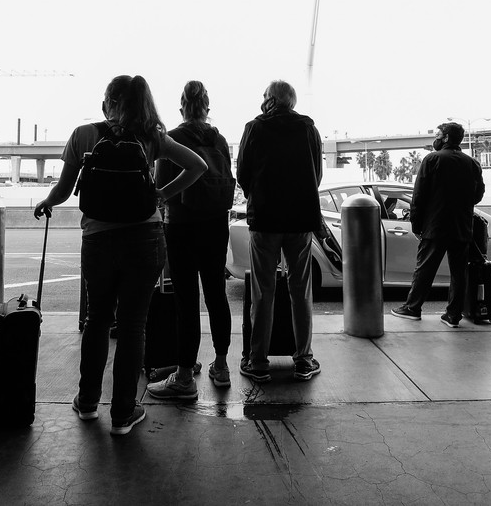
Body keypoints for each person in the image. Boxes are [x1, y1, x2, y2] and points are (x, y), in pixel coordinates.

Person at [34, 75, 206, 435]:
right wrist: (161, 193)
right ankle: (123, 414)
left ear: (109, 101)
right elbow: (197, 166)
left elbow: (64, 191)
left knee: (98, 320)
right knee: (132, 325)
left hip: (98, 240)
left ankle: (87, 402)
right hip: (145, 239)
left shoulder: (84, 134)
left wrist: (47, 201)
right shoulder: (152, 136)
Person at [146, 81, 234, 399]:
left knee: (187, 302)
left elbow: (160, 184)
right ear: (207, 108)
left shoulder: (174, 139)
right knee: (216, 295)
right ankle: (221, 366)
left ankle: (184, 377)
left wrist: (164, 195)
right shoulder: (220, 140)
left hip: (182, 227)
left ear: (182, 106)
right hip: (216, 226)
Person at [236, 80, 323, 382]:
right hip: (300, 221)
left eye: (264, 96)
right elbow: (317, 173)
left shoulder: (254, 128)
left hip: (265, 221)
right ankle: (304, 360)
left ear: (271, 100)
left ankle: (258, 361)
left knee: (263, 292)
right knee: (301, 292)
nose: (262, 100)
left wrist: (259, 196)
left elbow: (242, 173)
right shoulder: (309, 129)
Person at [391, 122, 485, 326]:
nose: (436, 138)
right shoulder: (472, 163)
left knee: (425, 269)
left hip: (436, 226)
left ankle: (412, 307)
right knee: (459, 273)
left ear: (447, 138)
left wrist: (416, 224)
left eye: (438, 135)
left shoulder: (432, 159)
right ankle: (453, 315)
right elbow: (477, 196)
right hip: (462, 227)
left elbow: (418, 196)